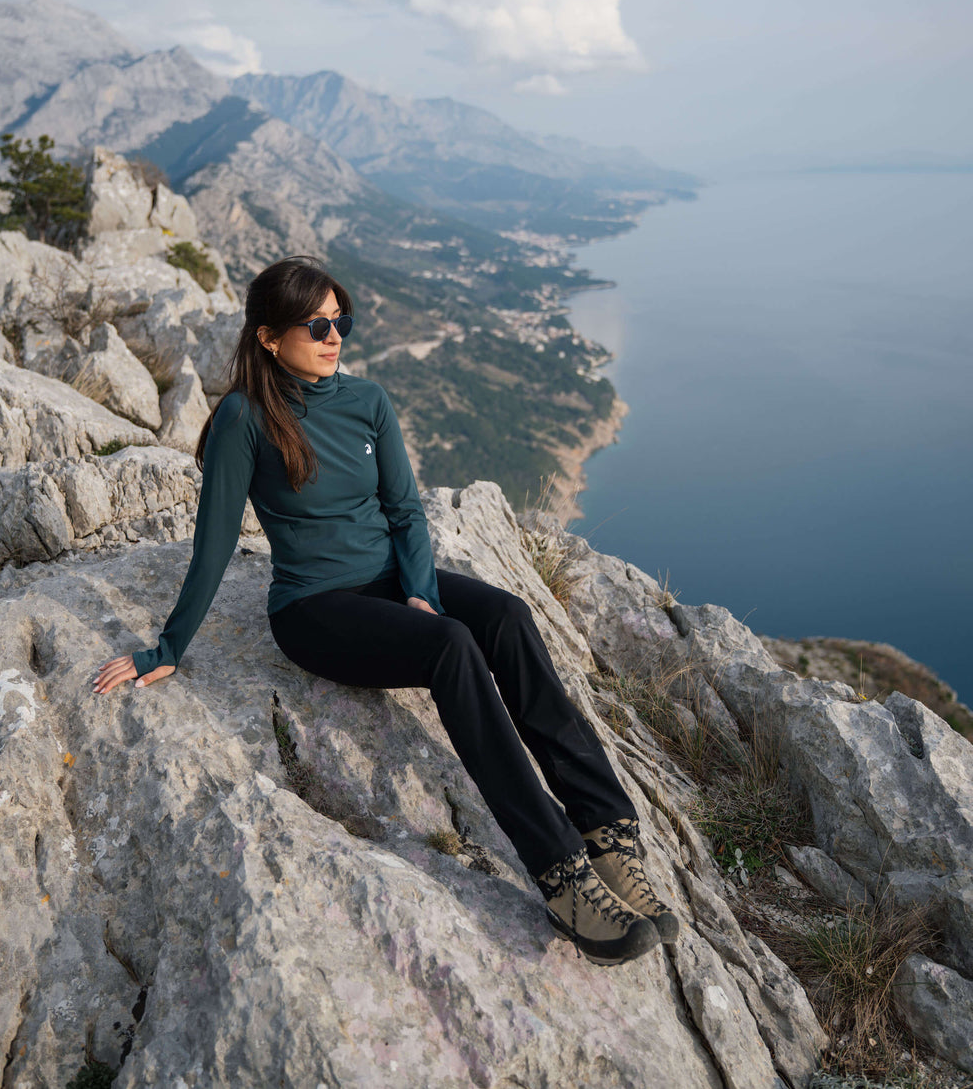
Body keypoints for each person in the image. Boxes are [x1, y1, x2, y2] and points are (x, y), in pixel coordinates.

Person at [93, 255, 679, 965]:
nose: (334, 336)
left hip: (389, 581)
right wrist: (167, 647)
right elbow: (214, 544)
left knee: (508, 617)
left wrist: (421, 591)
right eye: (316, 326)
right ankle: (561, 874)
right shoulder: (245, 418)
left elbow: (405, 510)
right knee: (451, 647)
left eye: (340, 321)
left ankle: (606, 830)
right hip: (313, 609)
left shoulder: (367, 399)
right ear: (270, 338)